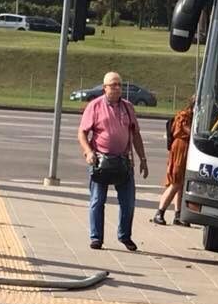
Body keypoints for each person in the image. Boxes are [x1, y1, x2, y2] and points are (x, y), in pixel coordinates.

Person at [78, 71, 148, 251]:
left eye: (119, 85)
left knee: (128, 202)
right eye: (113, 85)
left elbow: (136, 134)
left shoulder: (127, 107)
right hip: (100, 161)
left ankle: (125, 236)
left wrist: (143, 159)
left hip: (123, 162)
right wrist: (88, 152)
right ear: (104, 88)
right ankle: (96, 238)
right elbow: (82, 133)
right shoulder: (94, 106)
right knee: (97, 201)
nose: (117, 88)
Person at [153, 96, 194, 226]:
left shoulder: (190, 115)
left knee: (180, 183)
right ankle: (160, 212)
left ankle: (178, 214)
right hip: (180, 148)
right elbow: (189, 131)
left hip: (185, 148)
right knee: (175, 182)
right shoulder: (184, 116)